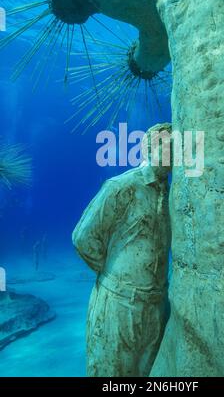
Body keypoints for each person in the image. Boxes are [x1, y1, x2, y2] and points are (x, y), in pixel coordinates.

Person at [73, 123, 172, 377]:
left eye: (177, 147)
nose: (172, 153)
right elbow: (83, 237)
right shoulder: (121, 187)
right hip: (118, 304)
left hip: (155, 307)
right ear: (149, 147)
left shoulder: (172, 194)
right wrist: (114, 276)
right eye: (166, 145)